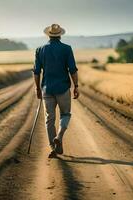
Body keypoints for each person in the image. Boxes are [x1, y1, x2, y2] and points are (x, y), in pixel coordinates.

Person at [33, 24, 79, 158]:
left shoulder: (40, 50)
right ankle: (59, 136)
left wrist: (37, 88)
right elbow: (73, 70)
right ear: (60, 35)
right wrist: (76, 86)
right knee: (65, 114)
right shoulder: (66, 49)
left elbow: (36, 72)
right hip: (63, 88)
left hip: (47, 89)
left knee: (49, 119)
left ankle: (53, 148)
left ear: (48, 35)